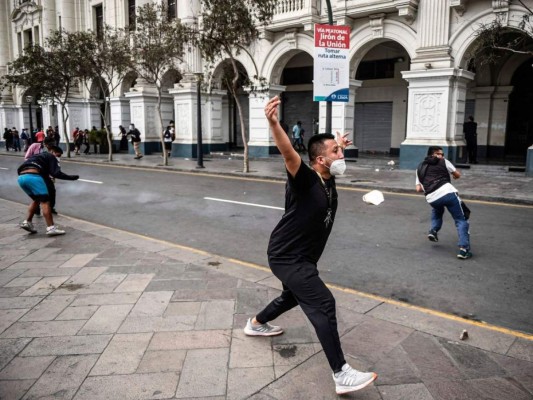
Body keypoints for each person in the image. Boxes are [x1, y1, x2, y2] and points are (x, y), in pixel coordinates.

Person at [244, 96, 377, 396]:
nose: (342, 155)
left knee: (292, 297)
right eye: (336, 152)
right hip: (287, 256)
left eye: (341, 150)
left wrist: (336, 144)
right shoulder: (305, 179)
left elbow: (329, 156)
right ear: (319, 160)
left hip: (301, 256)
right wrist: (274, 124)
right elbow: (289, 153)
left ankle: (256, 323)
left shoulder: (328, 177)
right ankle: (341, 373)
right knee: (323, 303)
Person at [416, 146, 472, 259]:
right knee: (461, 219)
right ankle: (464, 249)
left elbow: (418, 189)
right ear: (432, 154)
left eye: (442, 154)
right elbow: (457, 174)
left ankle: (433, 230)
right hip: (447, 192)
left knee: (437, 209)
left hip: (432, 198)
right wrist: (453, 176)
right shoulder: (444, 162)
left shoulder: (419, 167)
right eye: (439, 154)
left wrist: (429, 184)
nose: (441, 156)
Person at [17, 145, 79, 236]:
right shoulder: (51, 156)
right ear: (53, 152)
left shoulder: (38, 156)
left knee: (37, 199)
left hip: (21, 178)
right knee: (45, 202)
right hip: (34, 177)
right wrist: (71, 178)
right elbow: (56, 173)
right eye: (58, 155)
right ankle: (51, 228)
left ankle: (27, 222)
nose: (58, 158)